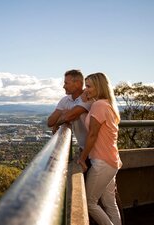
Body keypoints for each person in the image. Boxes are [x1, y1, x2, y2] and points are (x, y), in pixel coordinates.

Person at [78, 72, 122, 225]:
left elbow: (92, 135)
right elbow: (92, 128)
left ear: (99, 86)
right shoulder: (107, 104)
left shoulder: (99, 105)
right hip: (111, 161)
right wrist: (84, 100)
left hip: (102, 162)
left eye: (89, 86)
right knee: (110, 203)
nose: (86, 89)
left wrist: (82, 158)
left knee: (90, 203)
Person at [47, 69, 91, 151]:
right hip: (83, 147)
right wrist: (63, 113)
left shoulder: (87, 98)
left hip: (95, 148)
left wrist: (57, 124)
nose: (64, 86)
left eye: (66, 83)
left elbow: (69, 116)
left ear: (78, 84)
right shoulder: (65, 100)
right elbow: (50, 122)